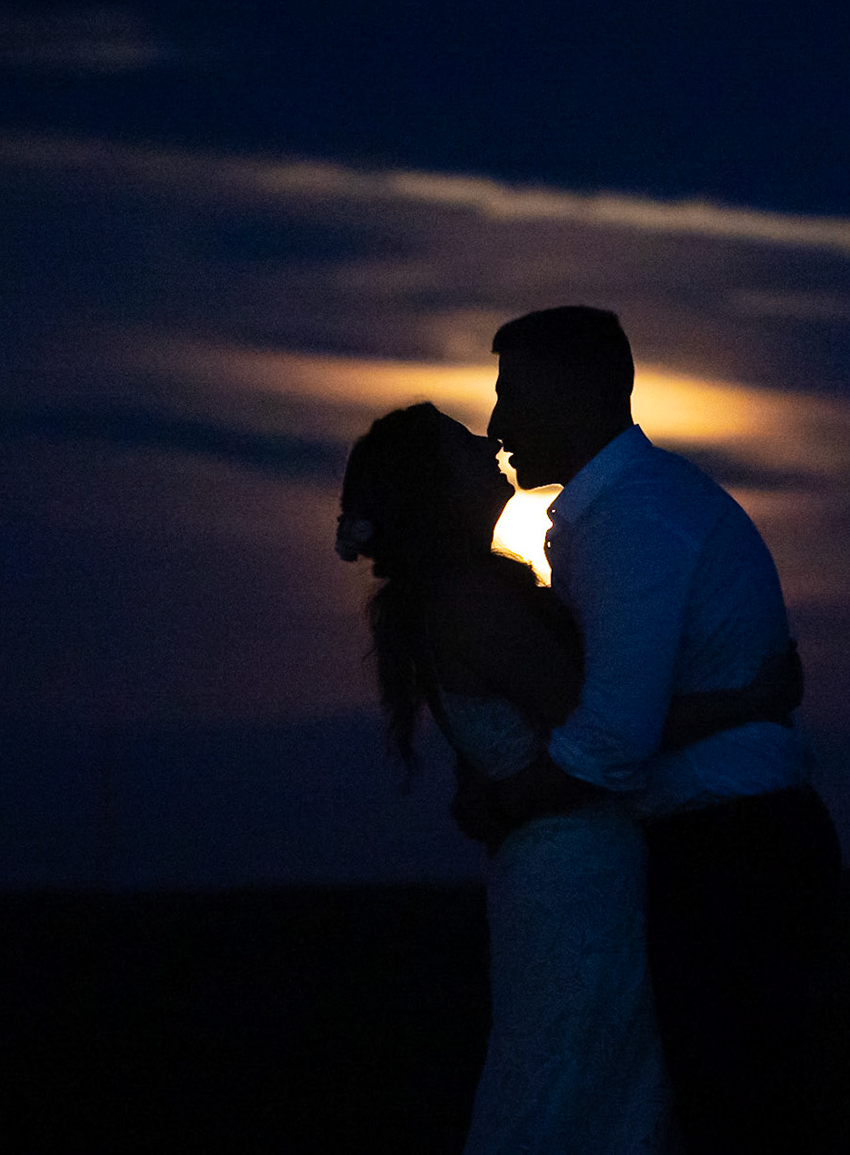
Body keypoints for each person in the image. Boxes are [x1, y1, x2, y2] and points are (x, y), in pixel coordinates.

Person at [479, 306, 841, 1155]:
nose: (496, 427)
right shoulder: (624, 514)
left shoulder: (632, 522)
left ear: (575, 395)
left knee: (732, 1112)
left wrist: (508, 800)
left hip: (733, 852)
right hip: (728, 846)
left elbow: (609, 737)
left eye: (511, 395)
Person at [337, 402, 676, 1154]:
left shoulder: (450, 599)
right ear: (437, 485)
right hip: (575, 871)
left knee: (568, 1074)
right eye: (465, 446)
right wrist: (745, 699)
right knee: (578, 1084)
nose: (490, 442)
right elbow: (598, 725)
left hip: (548, 867)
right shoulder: (474, 598)